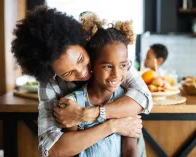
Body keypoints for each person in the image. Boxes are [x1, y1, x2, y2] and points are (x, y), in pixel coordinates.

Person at [11, 5, 152, 157]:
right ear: (52, 73)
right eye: (68, 72)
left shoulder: (108, 56)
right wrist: (113, 125)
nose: (82, 72)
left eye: (80, 59)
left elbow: (143, 97)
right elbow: (51, 149)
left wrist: (88, 115)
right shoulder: (51, 85)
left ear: (83, 43)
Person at [61, 14, 146, 157]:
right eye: (107, 66)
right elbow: (72, 152)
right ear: (91, 66)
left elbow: (130, 150)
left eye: (123, 65)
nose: (116, 74)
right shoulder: (73, 105)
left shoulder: (126, 101)